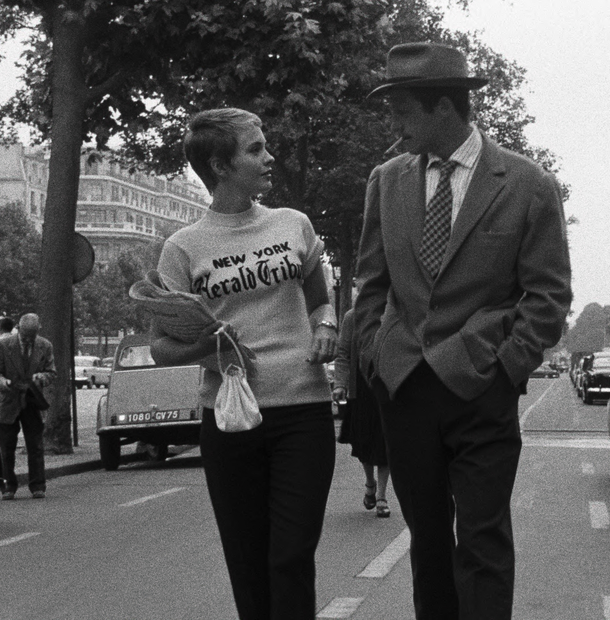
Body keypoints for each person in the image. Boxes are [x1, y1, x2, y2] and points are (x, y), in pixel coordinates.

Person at [354, 42, 572, 620]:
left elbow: (549, 295)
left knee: (482, 541)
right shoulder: (386, 181)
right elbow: (370, 283)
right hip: (404, 388)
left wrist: (508, 366)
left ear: (442, 109)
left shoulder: (527, 184)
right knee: (428, 542)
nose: (393, 126)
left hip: (481, 388)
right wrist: (375, 356)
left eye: (401, 110)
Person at [150, 108, 338, 620]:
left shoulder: (292, 225)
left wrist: (326, 329)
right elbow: (161, 349)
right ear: (220, 164)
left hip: (304, 411)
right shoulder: (182, 249)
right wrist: (212, 343)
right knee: (248, 561)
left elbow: (322, 302)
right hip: (231, 418)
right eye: (255, 149)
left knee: (291, 555)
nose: (268, 156)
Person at [0, 313, 56, 500]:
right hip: (8, 401)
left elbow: (51, 372)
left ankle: (38, 486)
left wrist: (40, 378)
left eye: (31, 336)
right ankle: (7, 486)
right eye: (25, 335)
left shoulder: (45, 346)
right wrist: (5, 383)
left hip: (32, 401)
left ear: (37, 331)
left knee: (35, 446)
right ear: (18, 328)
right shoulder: (2, 346)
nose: (28, 340)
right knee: (6, 448)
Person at [332, 307, 391, 518]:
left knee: (385, 443)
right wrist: (340, 384)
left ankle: (382, 497)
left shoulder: (395, 310)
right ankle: (370, 484)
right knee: (363, 443)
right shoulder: (352, 317)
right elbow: (343, 353)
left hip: (387, 389)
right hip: (361, 391)